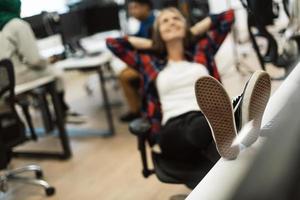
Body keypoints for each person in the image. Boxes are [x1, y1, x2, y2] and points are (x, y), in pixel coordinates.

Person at [106, 7, 271, 161]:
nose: (171, 22)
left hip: (208, 117)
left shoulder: (202, 49)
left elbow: (227, 16)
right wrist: (154, 44)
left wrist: (192, 32)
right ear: (157, 32)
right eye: (165, 21)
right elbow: (113, 43)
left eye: (176, 19)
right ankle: (239, 121)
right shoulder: (149, 61)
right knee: (203, 128)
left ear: (186, 26)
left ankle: (233, 137)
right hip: (173, 127)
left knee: (217, 148)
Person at [0, 0, 84, 123]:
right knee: (56, 72)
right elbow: (34, 60)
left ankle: (43, 108)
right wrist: (47, 62)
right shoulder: (17, 24)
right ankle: (63, 112)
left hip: (3, 82)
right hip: (15, 78)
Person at [116, 0, 155, 122]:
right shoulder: (144, 23)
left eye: (135, 8)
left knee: (124, 76)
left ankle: (136, 111)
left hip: (152, 64)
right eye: (130, 8)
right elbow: (137, 38)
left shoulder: (152, 25)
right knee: (123, 73)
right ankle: (138, 107)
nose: (132, 11)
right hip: (145, 61)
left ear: (146, 7)